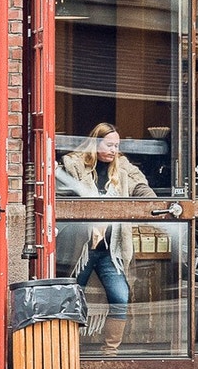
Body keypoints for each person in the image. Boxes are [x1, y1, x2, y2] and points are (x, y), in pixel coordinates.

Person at [58, 122, 151, 356]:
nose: (113, 150)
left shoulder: (123, 167)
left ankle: (110, 352)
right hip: (82, 248)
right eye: (109, 145)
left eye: (117, 146)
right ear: (95, 143)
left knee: (120, 296)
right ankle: (66, 350)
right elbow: (62, 194)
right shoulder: (74, 164)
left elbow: (141, 186)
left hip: (111, 250)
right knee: (71, 296)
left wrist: (153, 204)